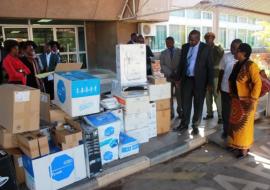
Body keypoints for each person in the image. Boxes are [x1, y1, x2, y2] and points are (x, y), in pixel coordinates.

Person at [175, 30, 214, 135]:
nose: (190, 42)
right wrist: (178, 79)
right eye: (189, 39)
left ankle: (195, 126)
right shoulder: (185, 47)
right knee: (185, 103)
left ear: (198, 39)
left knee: (198, 104)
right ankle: (184, 124)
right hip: (187, 79)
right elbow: (181, 64)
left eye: (192, 40)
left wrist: (210, 83)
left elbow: (210, 66)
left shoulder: (206, 48)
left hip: (200, 81)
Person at [228, 43, 262, 159]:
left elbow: (258, 83)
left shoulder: (251, 66)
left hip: (247, 101)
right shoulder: (237, 64)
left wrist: (252, 99)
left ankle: (244, 149)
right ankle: (236, 145)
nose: (234, 52)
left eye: (237, 50)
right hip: (236, 99)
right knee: (236, 124)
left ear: (243, 53)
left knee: (245, 126)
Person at [217, 39, 242, 139]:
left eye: (234, 47)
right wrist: (218, 85)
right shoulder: (226, 56)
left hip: (238, 91)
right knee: (226, 111)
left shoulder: (243, 58)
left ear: (239, 49)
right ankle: (226, 130)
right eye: (231, 46)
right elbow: (221, 71)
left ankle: (235, 131)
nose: (231, 49)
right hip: (225, 89)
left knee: (236, 112)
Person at [204, 32, 224, 124]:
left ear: (213, 39)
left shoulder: (217, 48)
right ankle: (209, 113)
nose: (209, 40)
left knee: (217, 95)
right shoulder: (203, 49)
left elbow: (222, 53)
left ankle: (220, 116)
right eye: (207, 38)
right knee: (208, 95)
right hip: (206, 75)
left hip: (215, 75)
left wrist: (216, 46)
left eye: (211, 38)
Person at [160, 36, 182, 119]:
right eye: (166, 43)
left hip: (178, 78)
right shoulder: (163, 53)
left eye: (169, 42)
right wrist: (170, 73)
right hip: (168, 77)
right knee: (169, 96)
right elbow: (162, 65)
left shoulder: (179, 51)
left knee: (179, 95)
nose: (168, 44)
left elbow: (181, 63)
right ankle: (171, 113)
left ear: (173, 42)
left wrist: (176, 73)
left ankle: (180, 111)